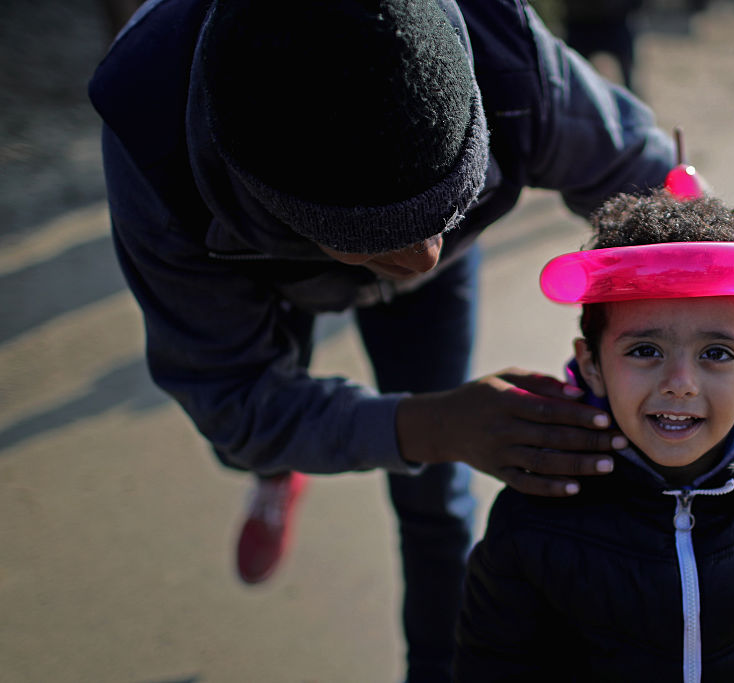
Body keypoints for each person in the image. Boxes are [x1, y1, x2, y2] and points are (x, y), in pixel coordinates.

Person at [88, 0, 686, 679]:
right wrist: (432, 423)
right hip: (261, 284)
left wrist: (696, 324)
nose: (425, 258)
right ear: (264, 207)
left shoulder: (504, 48)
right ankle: (274, 476)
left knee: (436, 495)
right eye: (374, 242)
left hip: (337, 247)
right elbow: (235, 395)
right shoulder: (155, 148)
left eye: (447, 208)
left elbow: (650, 187)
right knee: (266, 432)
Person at [455, 191, 734, 681]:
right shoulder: (532, 526)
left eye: (716, 353)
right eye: (645, 349)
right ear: (592, 365)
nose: (680, 382)